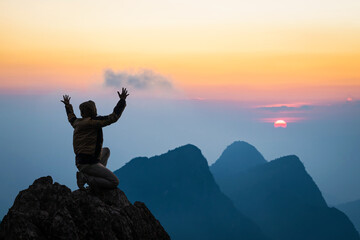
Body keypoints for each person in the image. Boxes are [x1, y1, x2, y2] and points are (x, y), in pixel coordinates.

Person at [61, 88, 129, 191]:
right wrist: (122, 100)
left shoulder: (77, 122)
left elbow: (71, 117)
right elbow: (113, 117)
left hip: (81, 161)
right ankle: (87, 178)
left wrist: (67, 105)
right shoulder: (94, 122)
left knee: (106, 151)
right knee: (114, 182)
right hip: (89, 163)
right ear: (93, 110)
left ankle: (93, 176)